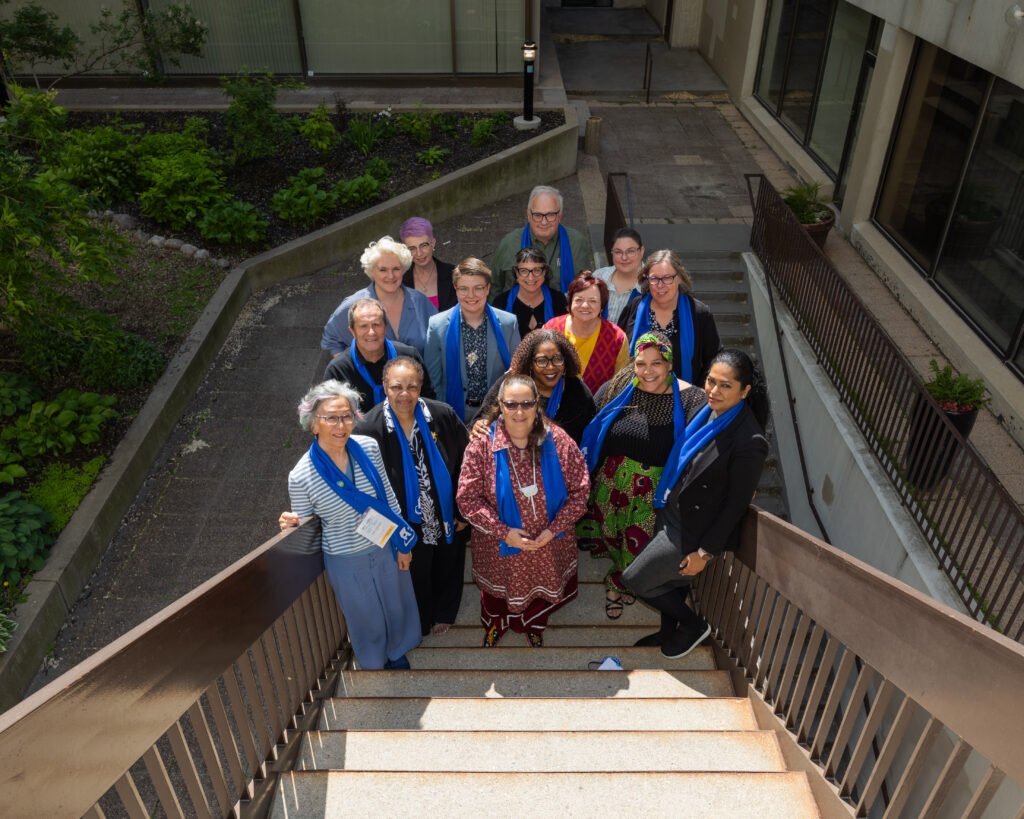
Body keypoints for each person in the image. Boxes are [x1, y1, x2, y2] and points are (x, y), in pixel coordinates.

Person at [635, 348, 770, 659]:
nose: (714, 391)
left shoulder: (750, 442)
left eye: (725, 385)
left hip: (690, 530)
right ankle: (669, 631)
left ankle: (694, 625)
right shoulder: (709, 411)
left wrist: (705, 553)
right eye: (711, 381)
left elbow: (735, 506)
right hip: (670, 508)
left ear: (745, 391)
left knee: (637, 579)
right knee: (672, 582)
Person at [278, 380, 420, 670]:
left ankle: (398, 649)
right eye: (330, 417)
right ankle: (372, 660)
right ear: (313, 424)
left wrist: (402, 544)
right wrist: (291, 524)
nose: (340, 425)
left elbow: (388, 497)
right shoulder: (301, 476)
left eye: (346, 416)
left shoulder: (367, 447)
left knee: (395, 604)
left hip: (383, 544)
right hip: (345, 557)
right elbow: (307, 527)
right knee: (363, 614)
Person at [576, 333, 706, 619]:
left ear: (670, 364)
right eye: (641, 363)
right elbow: (591, 423)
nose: (648, 371)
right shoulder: (620, 386)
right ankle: (618, 577)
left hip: (655, 492)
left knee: (640, 547)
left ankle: (620, 585)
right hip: (612, 485)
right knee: (614, 539)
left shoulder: (693, 399)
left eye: (657, 363)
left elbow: (702, 449)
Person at [457, 375, 590, 647]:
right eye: (511, 404)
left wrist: (554, 530)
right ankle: (496, 624)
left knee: (540, 597)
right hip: (499, 549)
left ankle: (533, 625)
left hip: (549, 546)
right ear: (501, 405)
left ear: (537, 405)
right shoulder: (482, 445)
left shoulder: (559, 441)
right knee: (496, 596)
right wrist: (503, 533)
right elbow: (467, 499)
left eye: (527, 404)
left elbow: (581, 491)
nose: (519, 412)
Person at [354, 357, 470, 636]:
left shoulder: (442, 416)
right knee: (414, 574)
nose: (404, 394)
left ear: (420, 388)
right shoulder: (367, 429)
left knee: (448, 564)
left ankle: (444, 612)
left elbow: (468, 465)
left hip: (444, 513)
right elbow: (363, 485)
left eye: (411, 387)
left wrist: (462, 511)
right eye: (396, 387)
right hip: (404, 521)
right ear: (384, 386)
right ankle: (420, 619)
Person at [423, 257, 521, 424]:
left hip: (496, 413)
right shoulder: (437, 325)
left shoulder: (508, 323)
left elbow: (516, 372)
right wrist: (444, 414)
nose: (471, 295)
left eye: (478, 288)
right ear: (455, 288)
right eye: (464, 289)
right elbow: (433, 380)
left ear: (488, 288)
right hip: (452, 414)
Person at [471, 329, 596, 445]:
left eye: (557, 359)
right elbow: (480, 422)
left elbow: (588, 441)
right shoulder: (511, 384)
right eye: (542, 361)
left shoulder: (578, 393)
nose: (551, 367)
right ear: (530, 363)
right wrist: (479, 426)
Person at [617, 249, 720, 384]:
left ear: (679, 278)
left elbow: (714, 361)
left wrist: (697, 394)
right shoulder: (634, 308)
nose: (660, 285)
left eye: (667, 278)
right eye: (654, 278)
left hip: (685, 399)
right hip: (636, 396)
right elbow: (617, 351)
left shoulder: (699, 314)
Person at [321, 236, 437, 355]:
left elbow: (439, 335)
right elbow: (331, 339)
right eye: (383, 270)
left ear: (403, 270)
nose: (391, 276)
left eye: (396, 269)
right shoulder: (353, 305)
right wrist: (349, 369)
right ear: (371, 272)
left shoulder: (419, 300)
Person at [323, 298, 434, 409]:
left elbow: (428, 400)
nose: (371, 332)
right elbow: (329, 411)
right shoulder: (338, 370)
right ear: (352, 331)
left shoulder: (409, 357)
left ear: (385, 327)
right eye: (363, 326)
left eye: (376, 324)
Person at [489, 185, 594, 294]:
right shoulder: (509, 243)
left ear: (560, 216)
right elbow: (495, 286)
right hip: (515, 310)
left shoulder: (577, 242)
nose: (544, 222)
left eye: (550, 215)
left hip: (563, 310)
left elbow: (585, 287)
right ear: (529, 215)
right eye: (538, 215)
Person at [544, 273, 629, 395]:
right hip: (552, 407)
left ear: (602, 307)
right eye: (579, 300)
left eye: (593, 301)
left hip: (598, 410)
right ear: (570, 302)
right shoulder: (551, 329)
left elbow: (621, 385)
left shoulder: (617, 338)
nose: (585, 306)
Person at [491, 248, 568, 339]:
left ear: (544, 272)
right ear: (516, 273)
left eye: (537, 270)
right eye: (524, 271)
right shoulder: (501, 303)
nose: (530, 277)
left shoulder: (558, 300)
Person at [400, 216, 457, 311]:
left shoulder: (453, 274)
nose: (419, 253)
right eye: (412, 248)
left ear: (433, 243)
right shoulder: (400, 281)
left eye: (423, 245)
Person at [592, 227, 645, 325]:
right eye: (618, 252)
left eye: (630, 251)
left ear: (641, 251)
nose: (624, 257)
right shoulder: (598, 277)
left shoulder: (651, 284)